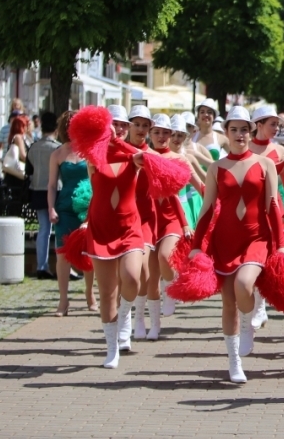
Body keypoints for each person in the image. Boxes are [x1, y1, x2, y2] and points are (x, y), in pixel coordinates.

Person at [189, 106, 284, 383]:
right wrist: (197, 245)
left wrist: (280, 245)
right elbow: (207, 209)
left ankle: (249, 322)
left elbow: (273, 205)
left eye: (245, 129)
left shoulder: (265, 163)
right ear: (227, 133)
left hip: (257, 239)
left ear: (251, 131)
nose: (240, 134)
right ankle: (234, 362)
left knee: (245, 284)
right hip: (224, 240)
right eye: (234, 129)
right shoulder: (217, 167)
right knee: (228, 303)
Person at [85, 108, 148, 369]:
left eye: (124, 125)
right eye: (114, 125)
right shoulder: (93, 156)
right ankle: (112, 348)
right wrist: (103, 138)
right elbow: (91, 155)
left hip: (129, 227)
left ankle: (126, 316)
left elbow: (143, 157)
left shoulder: (134, 156)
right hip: (101, 228)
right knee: (107, 292)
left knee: (132, 277)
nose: (119, 129)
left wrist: (120, 141)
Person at [143, 114, 195, 338]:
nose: (162, 136)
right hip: (147, 219)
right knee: (149, 277)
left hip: (172, 217)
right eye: (157, 132)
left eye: (166, 132)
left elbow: (197, 183)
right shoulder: (142, 156)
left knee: (166, 257)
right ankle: (153, 324)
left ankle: (170, 289)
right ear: (150, 134)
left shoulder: (179, 159)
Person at [47, 111, 95, 315]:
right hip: (65, 207)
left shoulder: (90, 151)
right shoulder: (57, 154)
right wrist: (50, 208)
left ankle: (90, 293)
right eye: (69, 126)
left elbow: (97, 180)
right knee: (63, 255)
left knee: (90, 252)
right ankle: (63, 300)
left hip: (87, 206)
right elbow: (50, 185)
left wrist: (93, 207)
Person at [125, 105, 159, 341]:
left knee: (144, 270)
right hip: (122, 220)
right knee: (126, 274)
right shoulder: (120, 152)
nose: (140, 129)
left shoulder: (154, 156)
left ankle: (139, 317)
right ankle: (125, 320)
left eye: (145, 125)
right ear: (128, 126)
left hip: (146, 219)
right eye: (136, 124)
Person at [27, 112, 61, 279]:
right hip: (57, 190)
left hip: (38, 190)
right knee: (60, 229)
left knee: (43, 229)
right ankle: (64, 266)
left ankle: (42, 264)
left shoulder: (33, 147)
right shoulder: (57, 148)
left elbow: (29, 169)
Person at [192, 100, 229, 168]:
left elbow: (235, 156)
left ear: (214, 117)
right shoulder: (191, 137)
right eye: (202, 112)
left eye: (209, 112)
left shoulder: (221, 138)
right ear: (198, 116)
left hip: (214, 178)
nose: (206, 115)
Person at [0, 116, 30, 191]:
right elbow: (22, 155)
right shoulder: (18, 137)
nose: (28, 127)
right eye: (26, 125)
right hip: (18, 172)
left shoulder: (17, 137)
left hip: (14, 173)